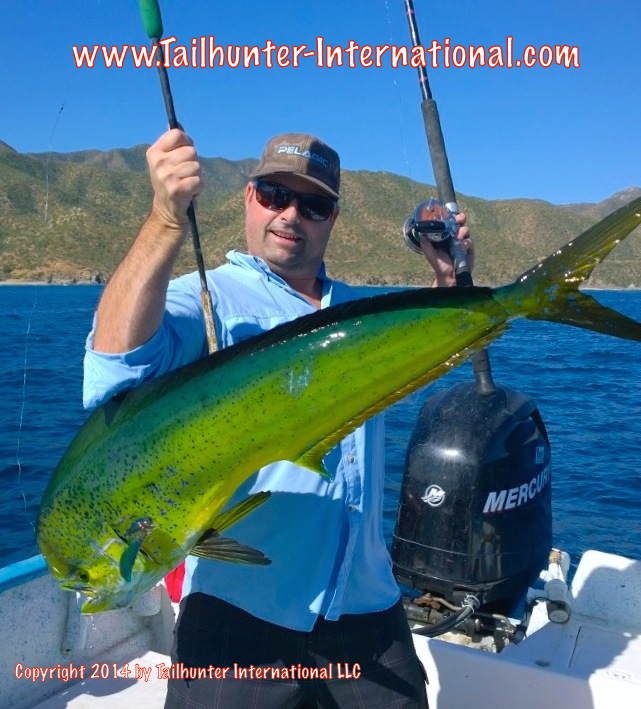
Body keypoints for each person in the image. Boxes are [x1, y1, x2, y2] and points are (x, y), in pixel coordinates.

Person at [83, 129, 473, 708]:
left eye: (313, 205)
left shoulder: (356, 311)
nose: (290, 214)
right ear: (248, 197)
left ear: (333, 219)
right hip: (240, 615)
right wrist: (165, 219)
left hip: (369, 612)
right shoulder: (209, 298)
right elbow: (114, 367)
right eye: (274, 195)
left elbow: (417, 361)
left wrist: (448, 284)